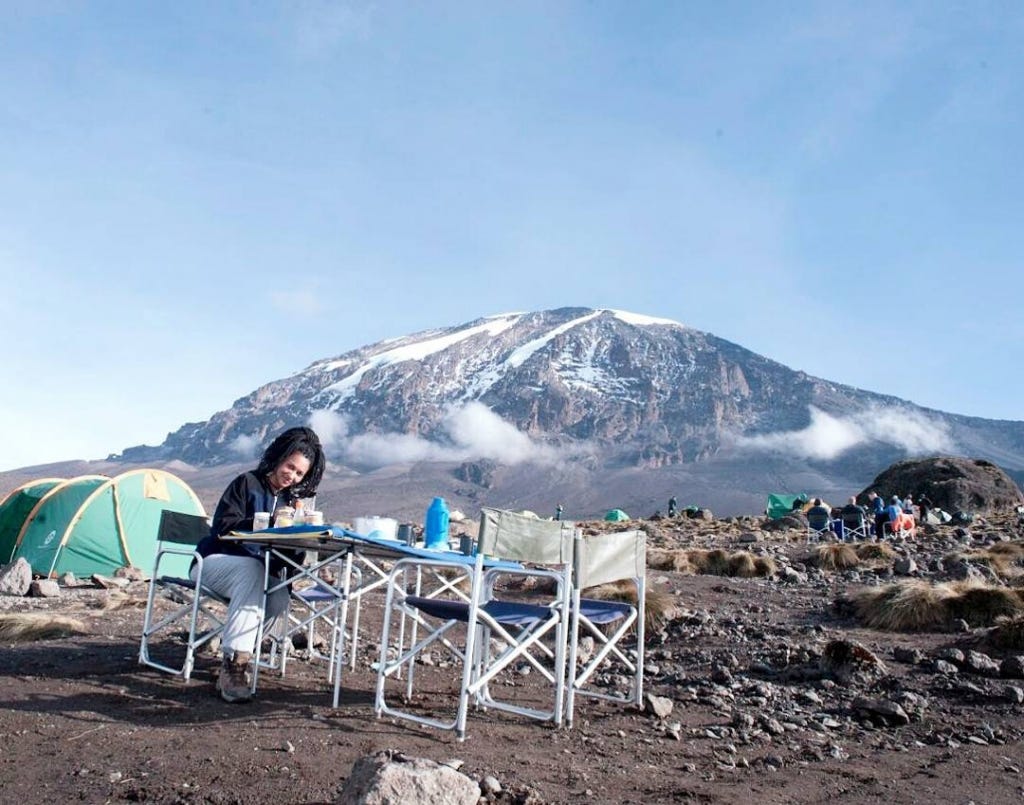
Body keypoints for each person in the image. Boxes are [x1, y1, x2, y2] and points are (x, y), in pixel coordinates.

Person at [192, 426, 326, 703]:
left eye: (299, 473)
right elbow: (222, 528)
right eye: (290, 466)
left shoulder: (293, 504)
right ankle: (235, 664)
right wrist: (265, 522)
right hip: (212, 563)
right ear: (279, 457)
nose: (292, 475)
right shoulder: (246, 483)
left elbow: (289, 560)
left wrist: (298, 539)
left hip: (253, 576)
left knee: (279, 596)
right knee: (253, 570)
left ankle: (235, 649)